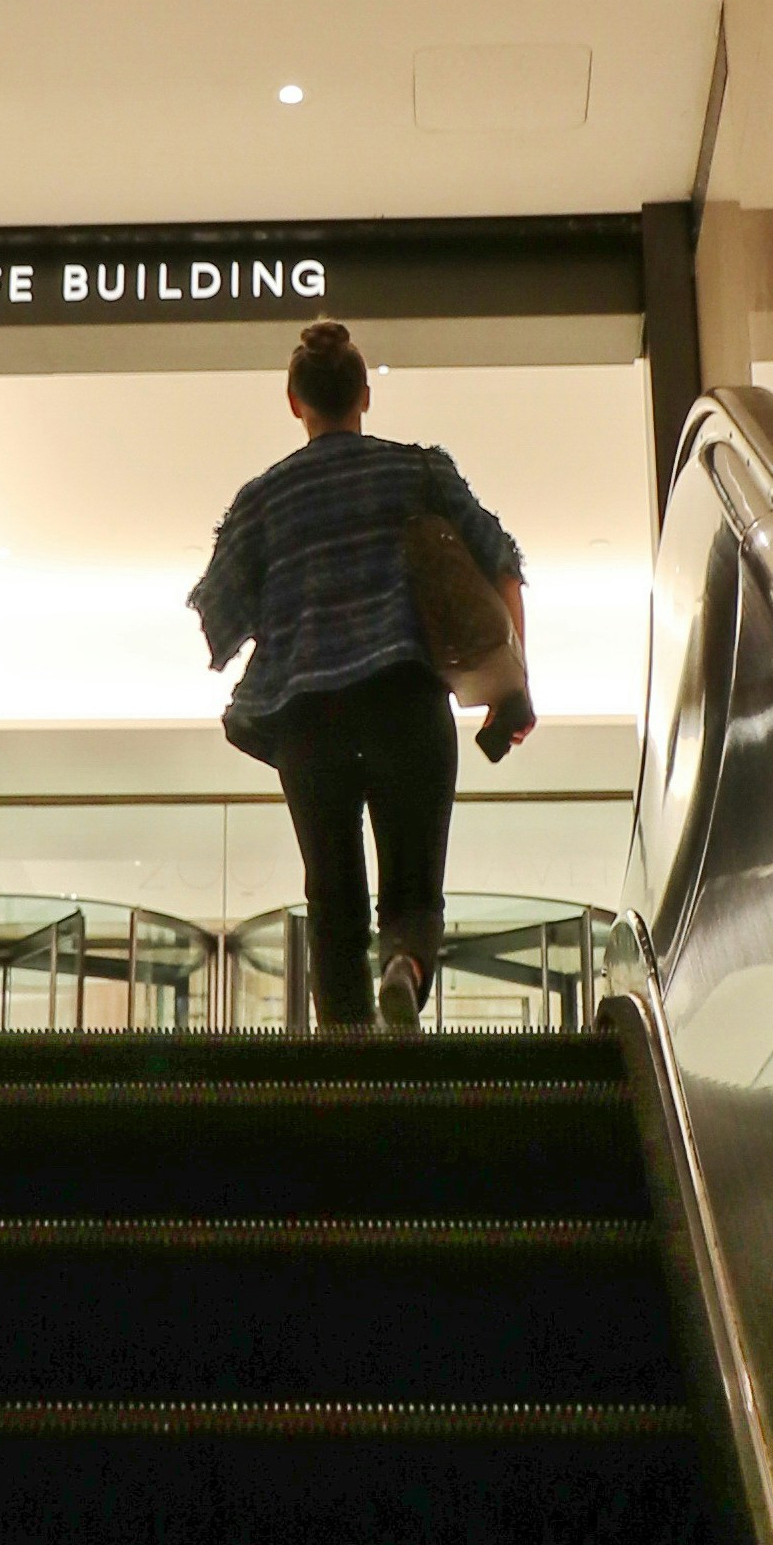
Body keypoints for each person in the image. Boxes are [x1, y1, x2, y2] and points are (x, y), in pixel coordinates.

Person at [189, 320, 528, 1035]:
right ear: (364, 396)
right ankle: (403, 968)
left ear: (294, 402)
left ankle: (343, 1061)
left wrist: (291, 585)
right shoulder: (420, 470)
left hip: (311, 721)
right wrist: (512, 686)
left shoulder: (265, 498)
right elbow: (500, 561)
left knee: (333, 898)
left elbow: (217, 613)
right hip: (406, 701)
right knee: (411, 891)